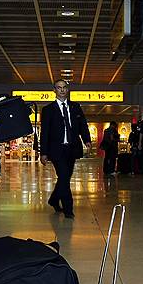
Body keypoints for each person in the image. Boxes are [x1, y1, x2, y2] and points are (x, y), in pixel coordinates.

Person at [39, 79, 91, 218]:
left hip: (72, 149)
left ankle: (54, 199)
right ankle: (68, 210)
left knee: (65, 178)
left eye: (64, 87)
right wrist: (43, 152)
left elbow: (82, 125)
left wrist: (87, 140)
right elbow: (44, 132)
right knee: (63, 176)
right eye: (59, 87)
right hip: (56, 150)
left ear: (67, 89)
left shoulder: (75, 107)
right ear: (54, 90)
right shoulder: (48, 110)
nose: (62, 90)